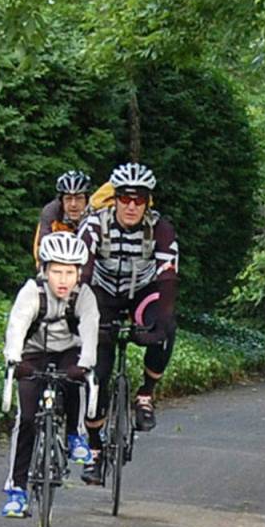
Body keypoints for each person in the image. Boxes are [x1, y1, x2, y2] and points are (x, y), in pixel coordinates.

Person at [77, 163, 179, 484]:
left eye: (139, 199)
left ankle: (145, 395)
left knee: (166, 325)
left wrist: (156, 323)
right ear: (114, 199)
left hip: (142, 295)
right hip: (103, 295)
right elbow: (82, 273)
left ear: (148, 202)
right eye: (124, 198)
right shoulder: (95, 225)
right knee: (97, 377)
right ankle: (93, 452)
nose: (131, 206)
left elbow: (168, 278)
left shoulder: (160, 228)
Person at [1, 232, 100, 518]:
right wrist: (14, 360)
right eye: (56, 271)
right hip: (33, 355)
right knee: (28, 419)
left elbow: (90, 331)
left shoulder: (84, 296)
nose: (63, 279)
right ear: (44, 270)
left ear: (79, 273)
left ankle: (74, 435)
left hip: (68, 351)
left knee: (73, 384)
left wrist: (85, 364)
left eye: (70, 272)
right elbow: (17, 326)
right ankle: (16, 490)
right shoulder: (32, 292)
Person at [32, 170, 92, 266]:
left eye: (79, 198)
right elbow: (41, 250)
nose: (73, 204)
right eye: (68, 198)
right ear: (61, 200)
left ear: (87, 200)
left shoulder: (95, 213)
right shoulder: (51, 212)